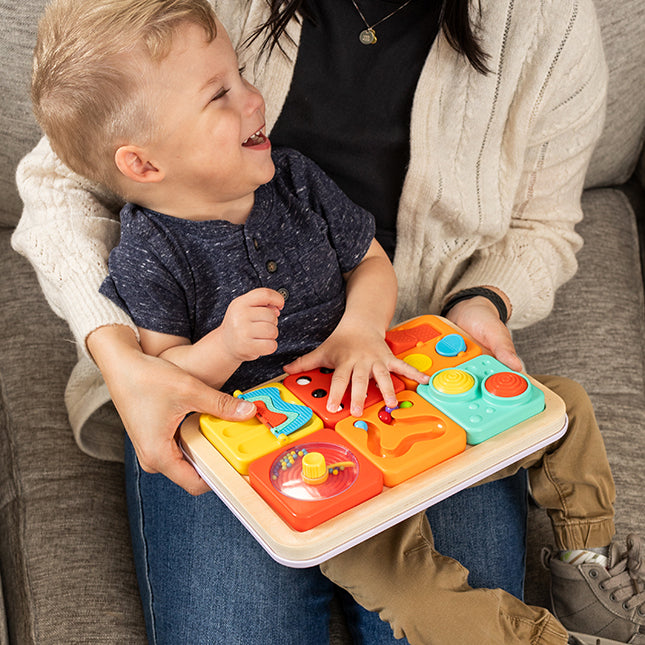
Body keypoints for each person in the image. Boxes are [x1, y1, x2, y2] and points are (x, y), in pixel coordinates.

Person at [23, 2, 645, 644]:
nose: (254, 98)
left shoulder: (295, 178)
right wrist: (211, 349)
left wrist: (387, 324)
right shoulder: (147, 252)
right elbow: (168, 372)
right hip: (267, 436)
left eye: (242, 74)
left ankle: (584, 559)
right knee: (402, 587)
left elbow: (378, 258)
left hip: (381, 368)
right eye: (220, 93)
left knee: (560, 406)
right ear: (143, 165)